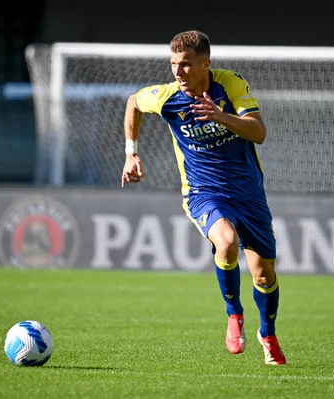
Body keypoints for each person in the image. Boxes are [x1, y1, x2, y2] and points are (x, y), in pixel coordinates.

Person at [120, 30, 286, 365]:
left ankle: (266, 333)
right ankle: (234, 315)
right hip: (203, 192)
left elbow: (259, 133)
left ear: (206, 64)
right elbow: (133, 102)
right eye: (173, 64)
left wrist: (220, 116)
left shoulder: (231, 85)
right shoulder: (168, 97)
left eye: (186, 64)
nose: (178, 72)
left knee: (263, 274)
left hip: (249, 194)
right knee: (225, 242)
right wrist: (131, 153)